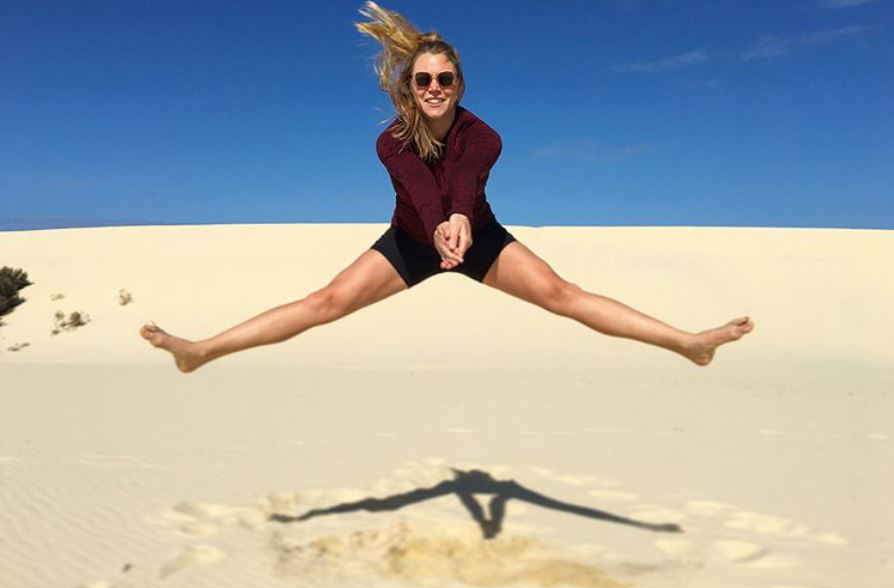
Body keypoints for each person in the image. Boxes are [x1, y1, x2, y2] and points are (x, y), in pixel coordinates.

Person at [140, 1, 753, 373]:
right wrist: (438, 222)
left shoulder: (485, 134)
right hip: (410, 241)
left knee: (563, 294)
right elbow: (418, 186)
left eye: (447, 78)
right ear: (410, 86)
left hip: (480, 236)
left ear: (460, 84)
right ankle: (202, 351)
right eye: (424, 78)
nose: (435, 86)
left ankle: (688, 342)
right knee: (323, 303)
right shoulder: (390, 141)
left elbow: (465, 178)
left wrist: (460, 218)